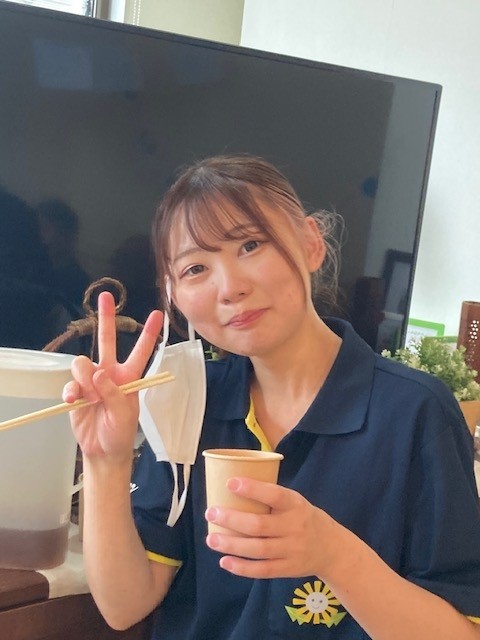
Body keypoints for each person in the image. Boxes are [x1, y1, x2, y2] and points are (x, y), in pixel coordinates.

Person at [63, 155, 480, 640]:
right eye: (196, 268)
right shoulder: (188, 401)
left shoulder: (415, 412)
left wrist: (333, 554)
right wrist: (106, 460)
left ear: (310, 243)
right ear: (173, 294)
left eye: (250, 244)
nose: (230, 288)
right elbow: (123, 606)